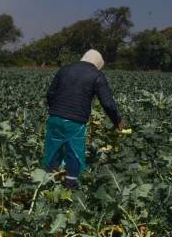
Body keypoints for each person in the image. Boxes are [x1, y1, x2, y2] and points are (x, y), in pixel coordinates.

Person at [42, 49, 125, 189]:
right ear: (98, 64)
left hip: (55, 117)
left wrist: (56, 111)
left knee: (53, 150)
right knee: (74, 153)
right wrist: (117, 120)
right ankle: (71, 187)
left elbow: (50, 93)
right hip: (75, 121)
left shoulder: (65, 70)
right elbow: (108, 103)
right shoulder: (97, 75)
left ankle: (47, 184)